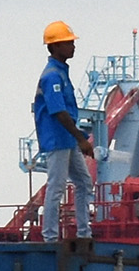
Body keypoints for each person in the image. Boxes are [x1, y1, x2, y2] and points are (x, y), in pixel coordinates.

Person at [33, 20, 95, 238]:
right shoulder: (52, 76)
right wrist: (81, 139)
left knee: (84, 182)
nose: (73, 46)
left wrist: (77, 138)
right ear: (55, 47)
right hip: (58, 140)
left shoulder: (60, 73)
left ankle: (84, 232)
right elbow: (59, 111)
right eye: (68, 43)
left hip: (66, 139)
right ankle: (49, 236)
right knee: (56, 187)